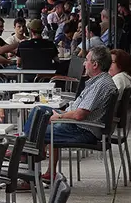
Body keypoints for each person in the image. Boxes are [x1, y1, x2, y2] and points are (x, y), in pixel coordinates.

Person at [21, 46, 117, 179]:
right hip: (77, 125)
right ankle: (33, 155)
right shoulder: (99, 81)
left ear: (95, 64)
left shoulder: (101, 84)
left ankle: (27, 171)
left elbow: (79, 115)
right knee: (39, 110)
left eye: (87, 60)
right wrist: (61, 113)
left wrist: (59, 116)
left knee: (35, 131)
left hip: (82, 130)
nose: (84, 63)